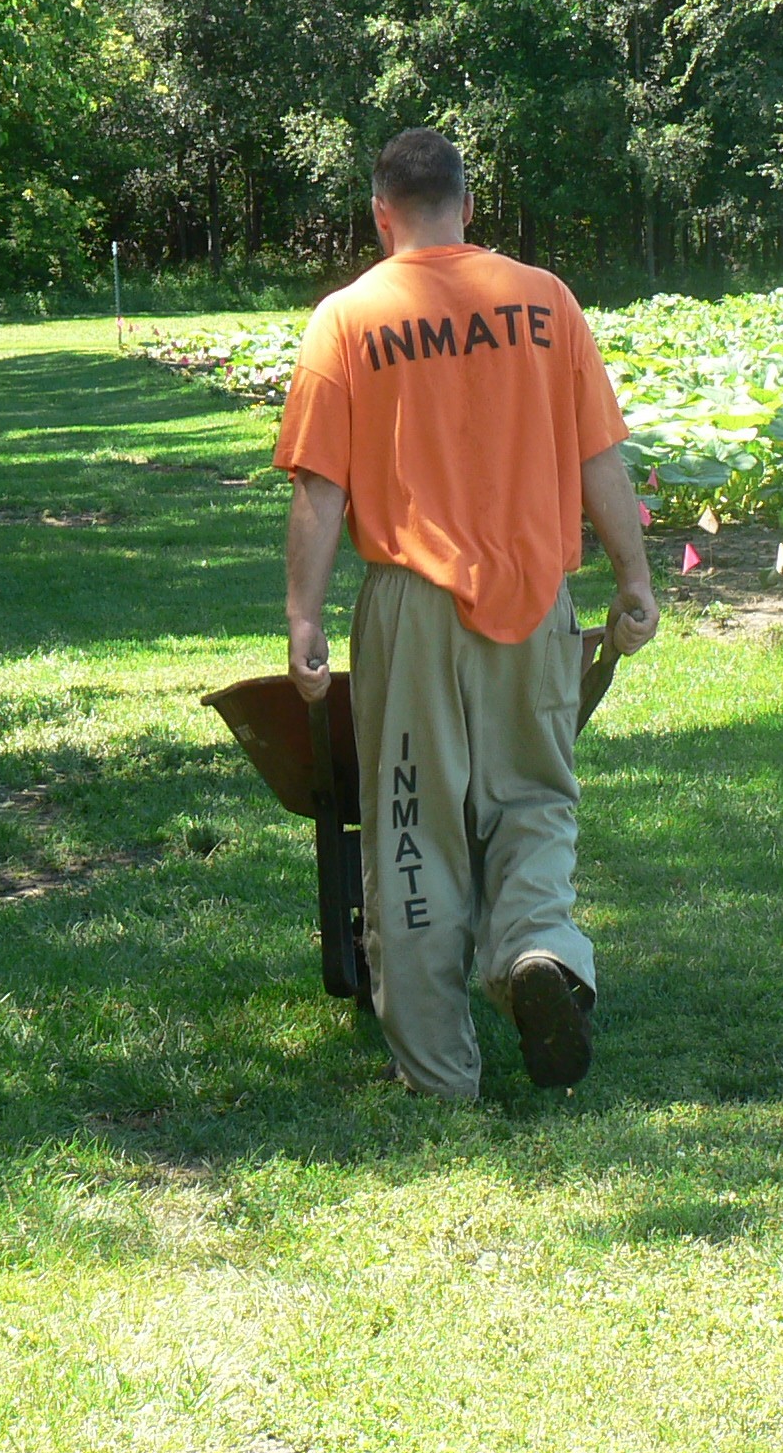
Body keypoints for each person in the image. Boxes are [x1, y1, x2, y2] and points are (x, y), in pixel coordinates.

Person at [275, 127, 658, 1099]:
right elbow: (596, 460)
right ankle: (536, 951)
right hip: (534, 602)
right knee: (535, 801)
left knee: (413, 829)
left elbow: (319, 490)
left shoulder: (347, 319)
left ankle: (440, 1071)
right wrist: (632, 576)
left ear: (378, 213)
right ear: (469, 206)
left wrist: (304, 621)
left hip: (410, 611)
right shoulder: (544, 302)